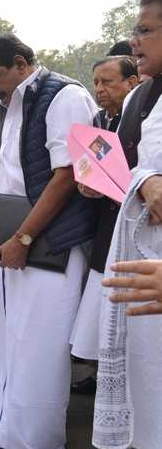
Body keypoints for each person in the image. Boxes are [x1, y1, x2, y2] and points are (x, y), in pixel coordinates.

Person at [0, 34, 97, 449]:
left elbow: (65, 176)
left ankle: (38, 446)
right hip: (16, 232)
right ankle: (13, 430)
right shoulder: (10, 104)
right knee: (17, 341)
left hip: (53, 239)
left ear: (21, 63)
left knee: (42, 342)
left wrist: (23, 239)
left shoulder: (66, 96)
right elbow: (7, 172)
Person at [69, 0, 162, 449]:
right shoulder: (145, 99)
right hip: (137, 246)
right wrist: (138, 180)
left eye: (145, 30)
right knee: (137, 362)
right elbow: (137, 163)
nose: (135, 39)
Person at [69, 55, 138, 395]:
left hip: (133, 232)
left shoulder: (141, 124)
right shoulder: (98, 123)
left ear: (132, 83)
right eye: (96, 82)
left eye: (108, 82)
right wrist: (85, 185)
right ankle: (102, 380)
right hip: (102, 231)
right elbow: (87, 168)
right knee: (97, 320)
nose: (100, 89)